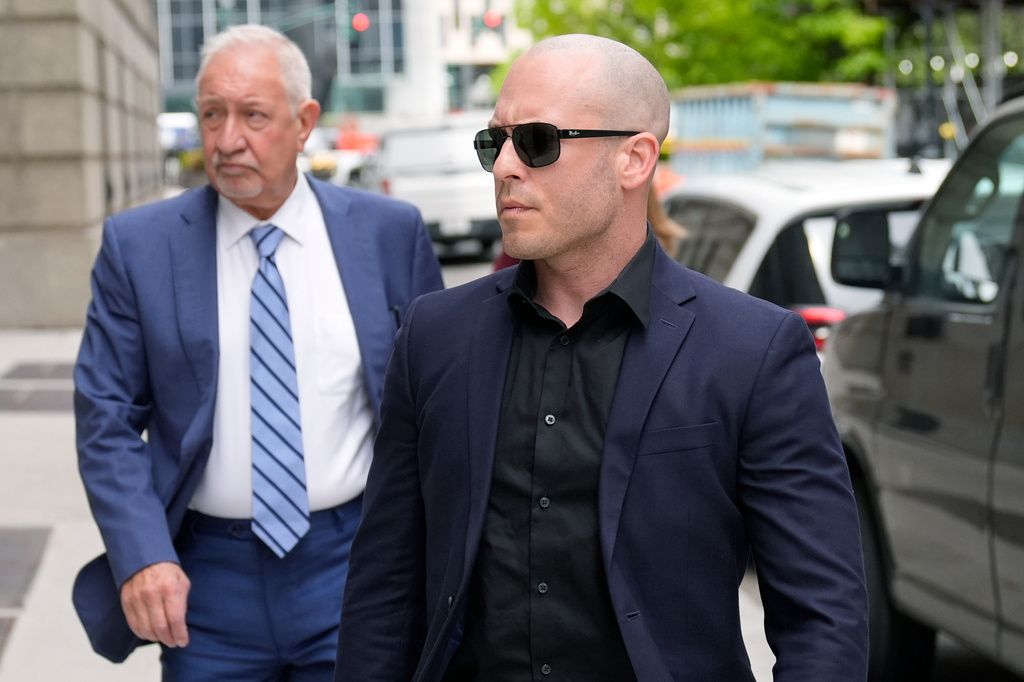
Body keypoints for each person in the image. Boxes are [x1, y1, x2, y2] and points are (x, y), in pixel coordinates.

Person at [335, 33, 868, 682]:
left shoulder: (753, 350)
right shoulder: (434, 336)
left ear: (634, 159)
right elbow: (385, 588)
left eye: (537, 141)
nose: (505, 167)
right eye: (494, 142)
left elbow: (823, 617)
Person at [72, 24, 443, 681]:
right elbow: (106, 417)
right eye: (212, 114)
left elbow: (436, 402)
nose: (226, 140)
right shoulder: (139, 247)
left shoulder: (389, 233)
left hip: (356, 565)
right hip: (209, 583)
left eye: (253, 115)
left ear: (304, 123)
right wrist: (142, 553)